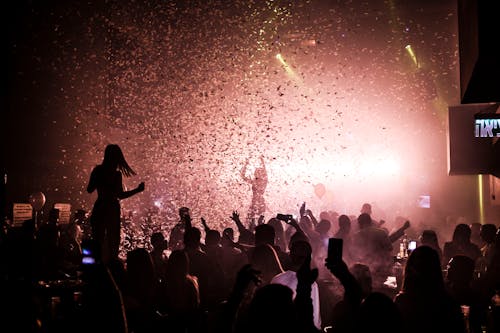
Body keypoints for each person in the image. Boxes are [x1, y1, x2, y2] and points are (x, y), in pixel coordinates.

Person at [87, 144, 145, 263]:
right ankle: (112, 266)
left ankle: (95, 267)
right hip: (112, 208)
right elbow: (120, 195)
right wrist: (137, 190)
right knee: (113, 241)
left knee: (97, 240)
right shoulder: (116, 174)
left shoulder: (98, 170)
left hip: (100, 206)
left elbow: (89, 189)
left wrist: (98, 179)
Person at [241, 156, 268, 220]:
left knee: (251, 220)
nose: (255, 173)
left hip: (258, 202)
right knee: (255, 220)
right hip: (258, 202)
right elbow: (243, 176)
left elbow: (243, 176)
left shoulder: (261, 181)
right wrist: (246, 164)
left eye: (257, 172)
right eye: (256, 172)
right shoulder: (261, 181)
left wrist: (263, 162)